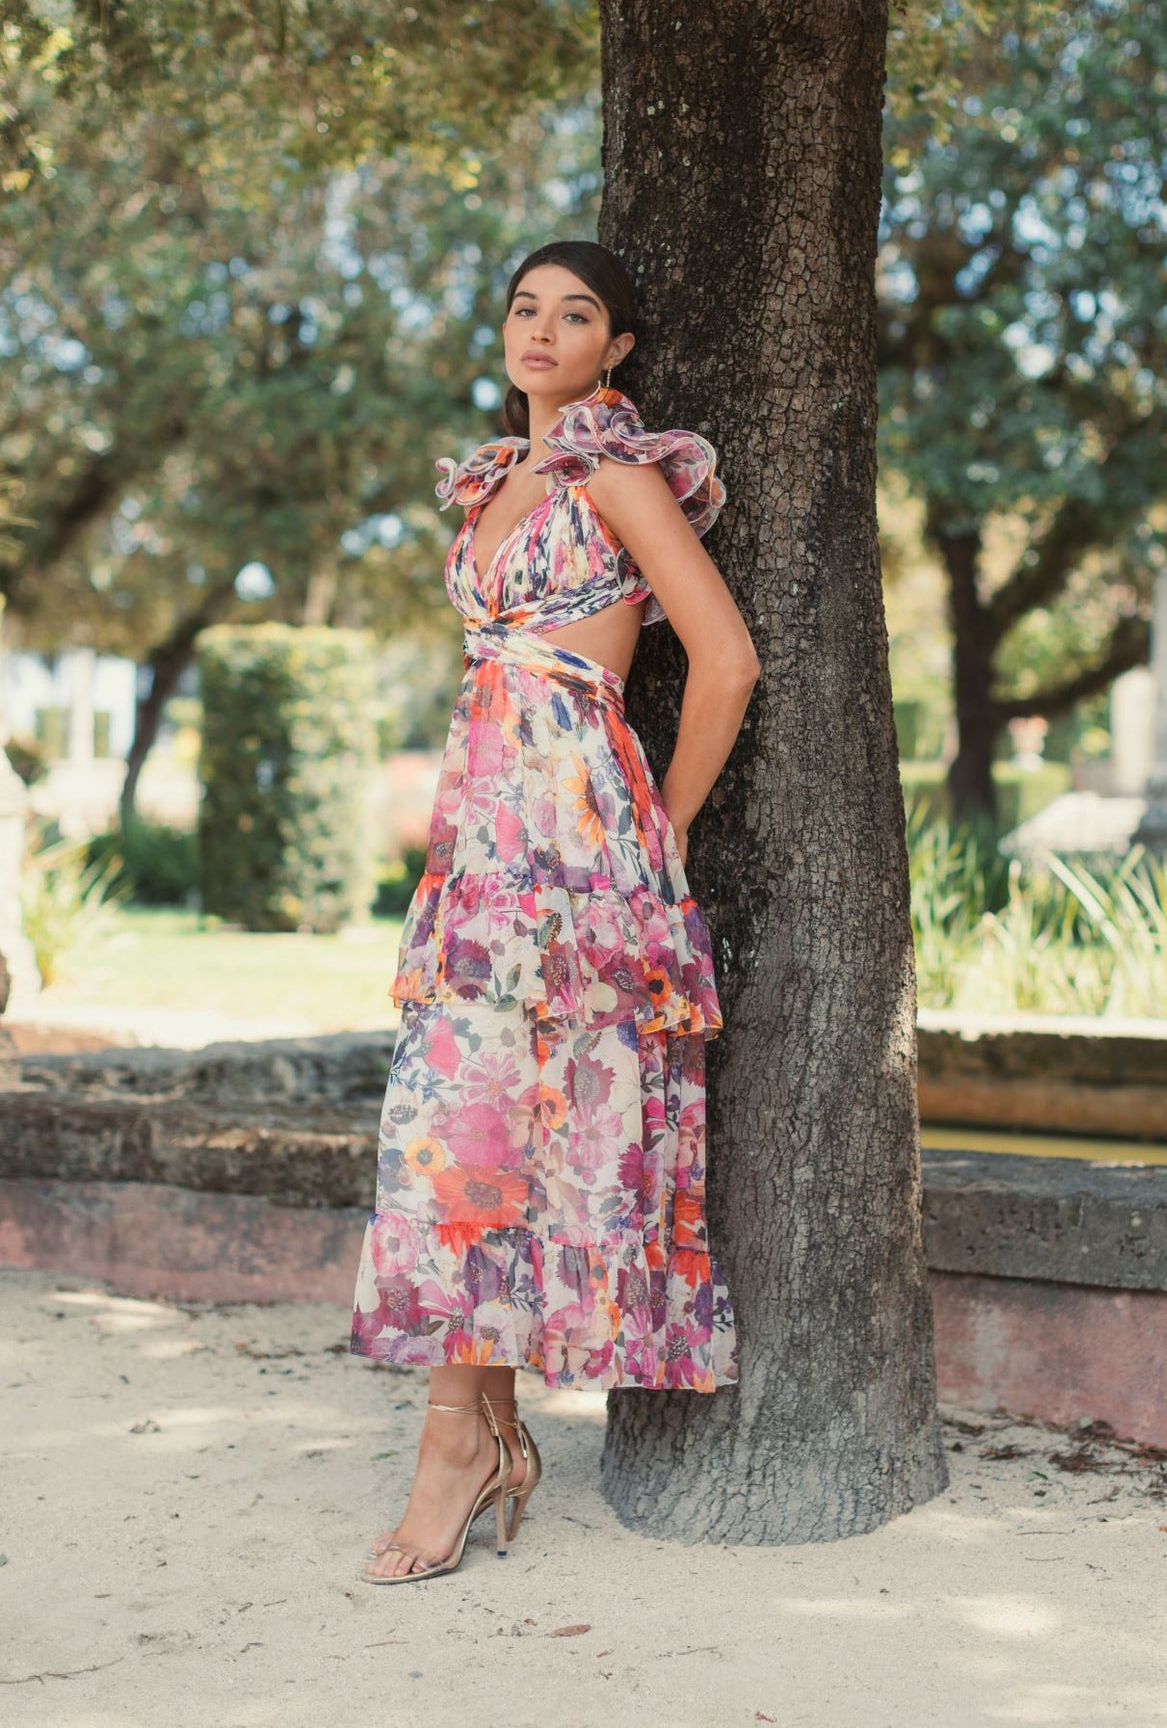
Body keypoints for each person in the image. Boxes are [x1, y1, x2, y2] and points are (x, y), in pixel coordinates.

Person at [351, 240, 759, 1583]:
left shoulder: (618, 472)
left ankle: (453, 1450)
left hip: (578, 833)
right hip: (482, 839)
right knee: (459, 1129)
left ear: (616, 348)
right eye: (526, 306)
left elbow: (725, 659)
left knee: (498, 1127)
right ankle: (486, 1434)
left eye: (574, 313)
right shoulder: (491, 479)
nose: (542, 328)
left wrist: (672, 820)